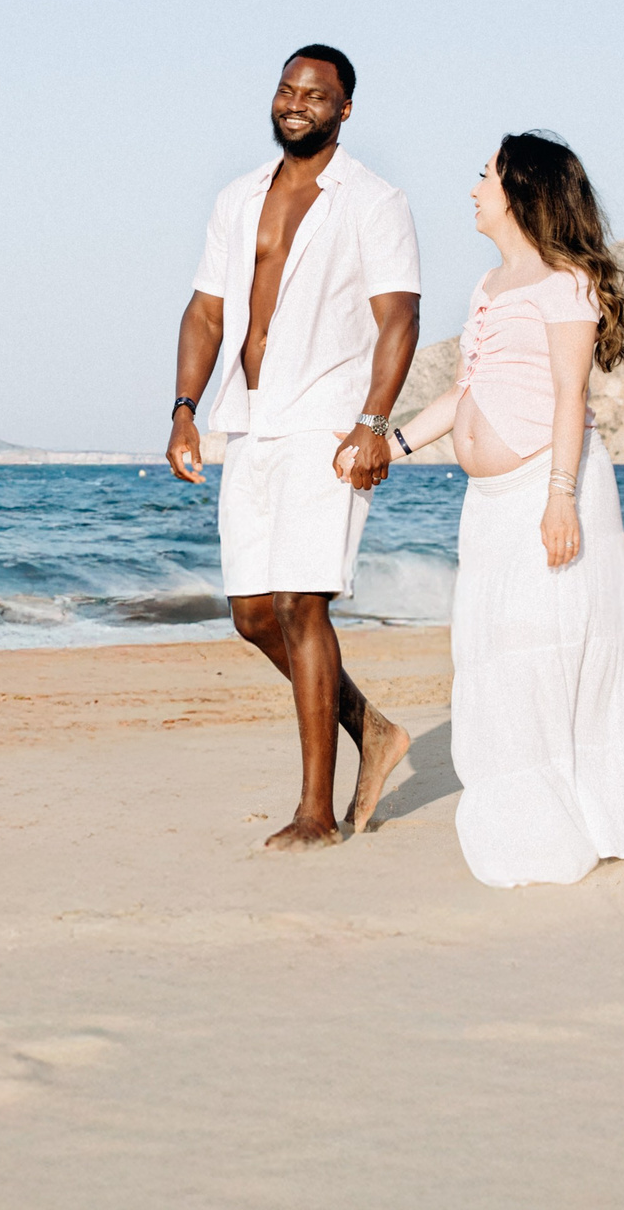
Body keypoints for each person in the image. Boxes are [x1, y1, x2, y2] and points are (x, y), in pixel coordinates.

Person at [389, 132, 624, 886]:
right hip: (490, 502)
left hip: (549, 489)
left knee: (555, 649)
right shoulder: (489, 285)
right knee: (497, 655)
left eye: (485, 174)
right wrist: (388, 445)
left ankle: (603, 812)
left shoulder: (566, 284)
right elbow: (468, 391)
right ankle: (537, 815)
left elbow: (572, 395)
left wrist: (560, 499)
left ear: (520, 189)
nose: (473, 188)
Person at [167, 46, 419, 850]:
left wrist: (374, 424)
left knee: (301, 603)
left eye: (316, 94)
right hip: (250, 420)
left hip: (329, 423)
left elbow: (399, 319)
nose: (296, 103)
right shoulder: (238, 199)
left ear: (345, 109)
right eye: (286, 89)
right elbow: (206, 312)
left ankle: (317, 811)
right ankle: (371, 728)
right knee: (251, 615)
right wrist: (184, 410)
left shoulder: (374, 201)